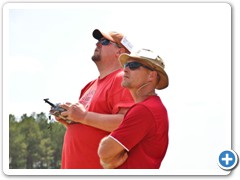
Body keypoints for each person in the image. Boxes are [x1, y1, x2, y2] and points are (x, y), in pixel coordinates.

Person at [55, 29, 134, 168]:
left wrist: (83, 117)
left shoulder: (121, 79)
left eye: (104, 42)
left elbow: (128, 124)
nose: (97, 44)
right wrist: (70, 119)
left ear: (120, 52)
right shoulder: (89, 86)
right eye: (98, 41)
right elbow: (91, 123)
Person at [98, 48, 169, 169]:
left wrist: (108, 159)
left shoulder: (145, 110)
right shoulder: (153, 107)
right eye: (126, 65)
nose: (125, 69)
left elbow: (105, 151)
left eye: (134, 65)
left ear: (151, 75)